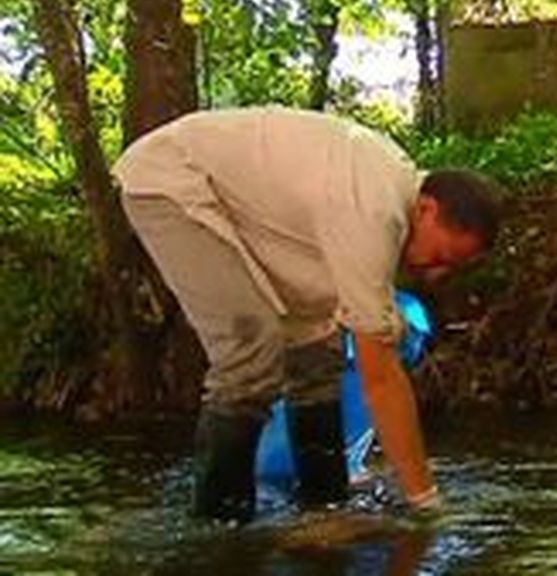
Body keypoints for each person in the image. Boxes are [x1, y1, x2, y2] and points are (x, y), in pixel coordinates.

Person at [112, 107, 501, 523]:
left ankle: (324, 509)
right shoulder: (376, 210)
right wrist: (425, 503)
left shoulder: (387, 194)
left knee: (318, 347)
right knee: (250, 351)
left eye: (452, 268)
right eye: (440, 256)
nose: (437, 273)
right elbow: (380, 377)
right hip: (171, 183)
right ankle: (219, 531)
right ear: (426, 209)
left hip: (243, 207)